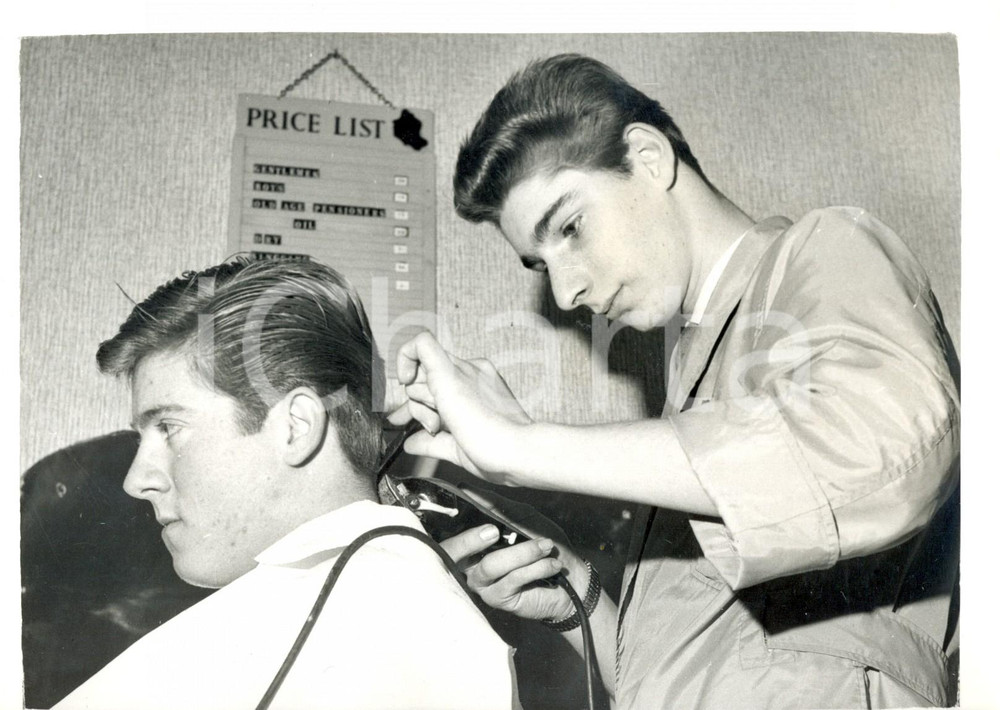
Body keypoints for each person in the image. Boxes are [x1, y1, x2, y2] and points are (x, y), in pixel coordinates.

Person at [390, 54, 960, 709]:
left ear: (648, 157)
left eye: (570, 228)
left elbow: (890, 444)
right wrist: (576, 599)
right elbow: (697, 673)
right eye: (539, 262)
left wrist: (521, 444)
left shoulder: (824, 248)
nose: (567, 289)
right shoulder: (683, 408)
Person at [55, 258, 519, 710]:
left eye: (169, 428)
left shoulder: (373, 628)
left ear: (295, 426)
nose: (137, 481)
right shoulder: (365, 611)